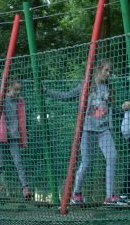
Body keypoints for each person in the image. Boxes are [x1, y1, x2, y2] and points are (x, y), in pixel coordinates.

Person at [48, 61, 124, 205]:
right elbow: (67, 95)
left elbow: (111, 109)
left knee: (112, 156)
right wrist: (48, 92)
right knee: (86, 161)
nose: (108, 74)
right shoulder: (86, 85)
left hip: (104, 129)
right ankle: (76, 193)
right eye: (106, 70)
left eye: (110, 71)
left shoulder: (108, 88)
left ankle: (110, 196)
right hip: (87, 129)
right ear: (98, 70)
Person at [0, 81, 31, 200]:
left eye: (20, 89)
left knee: (18, 162)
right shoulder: (0, 98)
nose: (18, 92)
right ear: (9, 88)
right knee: (1, 164)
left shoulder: (19, 101)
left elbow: (21, 119)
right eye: (16, 89)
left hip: (13, 136)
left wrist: (23, 135)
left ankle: (25, 188)